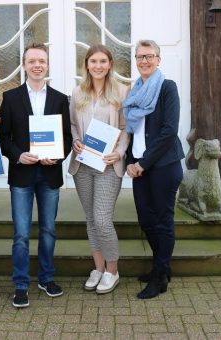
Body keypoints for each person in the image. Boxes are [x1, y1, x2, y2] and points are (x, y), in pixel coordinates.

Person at [0, 43, 72, 308]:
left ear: (47, 64)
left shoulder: (60, 98)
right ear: (24, 65)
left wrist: (59, 156)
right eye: (32, 61)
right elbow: (3, 137)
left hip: (50, 173)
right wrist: (18, 155)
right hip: (22, 174)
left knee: (48, 230)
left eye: (41, 60)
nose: (37, 65)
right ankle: (20, 284)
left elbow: (66, 137)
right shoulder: (10, 97)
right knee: (20, 233)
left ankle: (46, 277)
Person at [124, 40, 184, 299]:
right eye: (139, 57)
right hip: (139, 166)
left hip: (163, 166)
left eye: (149, 56)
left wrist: (142, 163)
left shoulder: (167, 88)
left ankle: (159, 276)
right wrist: (129, 160)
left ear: (158, 60)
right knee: (146, 221)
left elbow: (169, 131)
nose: (144, 61)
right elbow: (131, 130)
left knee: (162, 222)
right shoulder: (134, 92)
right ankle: (163, 266)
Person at [68, 45, 129, 294]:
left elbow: (126, 127)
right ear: (87, 64)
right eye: (93, 61)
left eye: (103, 61)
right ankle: (98, 267)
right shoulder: (77, 92)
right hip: (83, 164)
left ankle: (112, 271)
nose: (98, 66)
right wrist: (75, 140)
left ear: (110, 64)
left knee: (103, 219)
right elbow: (72, 124)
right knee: (91, 220)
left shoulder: (122, 92)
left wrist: (120, 152)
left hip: (107, 164)